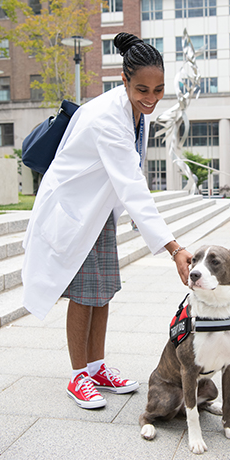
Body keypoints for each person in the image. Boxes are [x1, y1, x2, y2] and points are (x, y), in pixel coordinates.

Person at [22, 33, 191, 408]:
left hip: (97, 214)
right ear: (124, 80)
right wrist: (174, 248)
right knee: (83, 297)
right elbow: (133, 186)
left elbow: (129, 180)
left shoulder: (134, 112)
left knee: (102, 293)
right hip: (74, 213)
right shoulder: (105, 117)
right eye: (142, 89)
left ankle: (97, 367)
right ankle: (77, 376)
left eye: (159, 89)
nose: (151, 98)